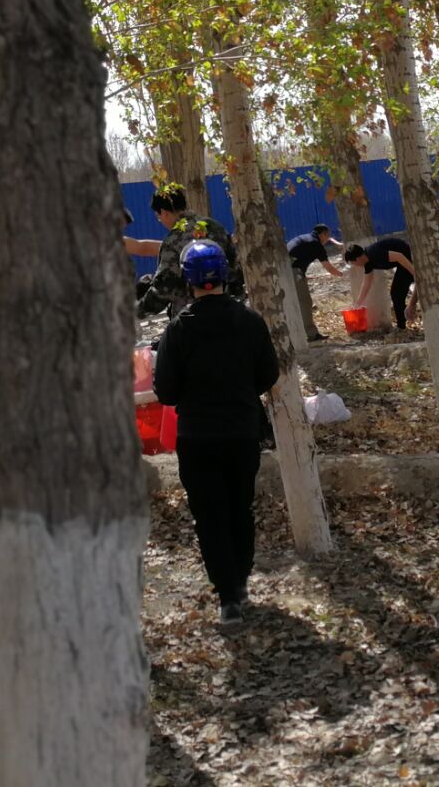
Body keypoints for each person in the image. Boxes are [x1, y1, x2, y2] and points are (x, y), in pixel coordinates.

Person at [153, 240, 279, 626]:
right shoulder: (250, 321)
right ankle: (240, 581)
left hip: (197, 437)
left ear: (188, 280)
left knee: (210, 514)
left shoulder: (178, 330)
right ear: (225, 274)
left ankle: (228, 597)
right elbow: (268, 375)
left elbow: (165, 391)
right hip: (242, 431)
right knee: (240, 506)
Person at [137, 186, 242, 314]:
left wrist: (137, 311)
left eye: (159, 217)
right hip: (228, 311)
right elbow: (235, 269)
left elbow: (164, 289)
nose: (160, 221)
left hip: (192, 317)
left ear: (164, 212)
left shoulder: (173, 240)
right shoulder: (215, 227)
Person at [343, 235, 416, 331]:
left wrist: (414, 273)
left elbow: (399, 256)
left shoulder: (374, 254)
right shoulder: (367, 262)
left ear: (357, 259)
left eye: (353, 263)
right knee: (396, 294)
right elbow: (366, 283)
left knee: (396, 293)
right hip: (401, 263)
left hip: (407, 257)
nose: (355, 265)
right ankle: (403, 322)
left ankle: (401, 326)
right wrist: (358, 304)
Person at [287, 225, 342, 342]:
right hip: (294, 272)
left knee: (291, 302)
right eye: (327, 235)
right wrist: (343, 274)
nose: (327, 239)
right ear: (323, 234)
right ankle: (311, 334)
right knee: (305, 302)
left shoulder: (305, 238)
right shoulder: (316, 245)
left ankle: (293, 333)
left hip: (284, 270)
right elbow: (329, 268)